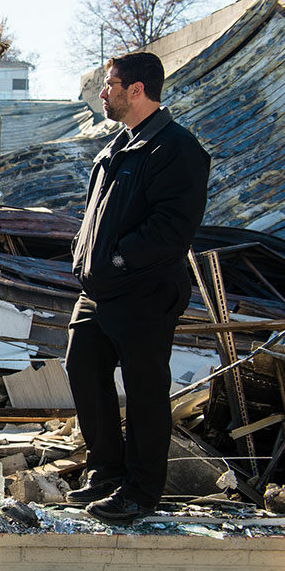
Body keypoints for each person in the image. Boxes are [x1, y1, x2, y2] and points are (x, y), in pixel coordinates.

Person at [64, 51, 210, 524]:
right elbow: (96, 217)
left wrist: (117, 259)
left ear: (137, 90)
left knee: (146, 390)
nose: (103, 93)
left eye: (110, 84)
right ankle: (107, 471)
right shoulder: (118, 147)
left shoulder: (176, 149)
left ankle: (140, 492)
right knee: (82, 367)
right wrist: (85, 254)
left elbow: (172, 228)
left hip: (144, 291)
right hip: (100, 289)